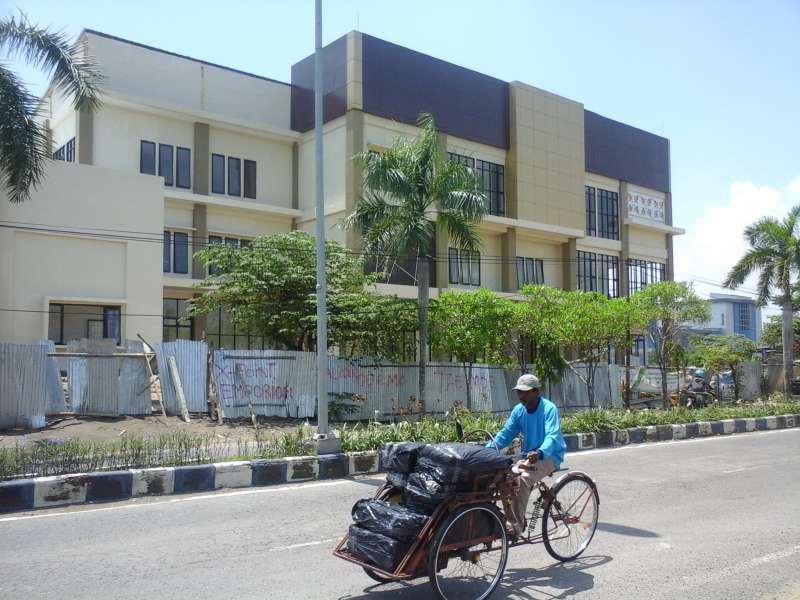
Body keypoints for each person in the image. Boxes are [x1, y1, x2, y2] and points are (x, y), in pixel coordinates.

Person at [487, 373, 566, 537]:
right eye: (519, 392)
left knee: (521, 479)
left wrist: (540, 452)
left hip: (549, 455)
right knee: (505, 478)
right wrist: (488, 449)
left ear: (536, 391)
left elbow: (552, 435)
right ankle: (511, 519)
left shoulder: (548, 408)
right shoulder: (519, 410)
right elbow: (506, 434)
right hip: (529, 455)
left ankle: (515, 526)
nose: (521, 396)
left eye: (525, 392)